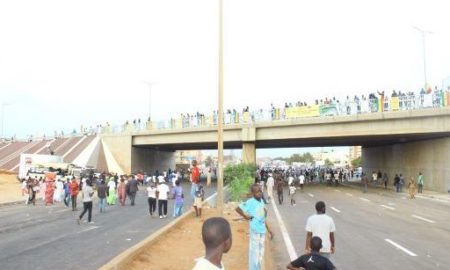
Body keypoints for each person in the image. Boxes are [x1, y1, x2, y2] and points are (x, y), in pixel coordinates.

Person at [236, 184, 274, 270]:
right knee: (254, 252)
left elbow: (263, 217)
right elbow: (238, 209)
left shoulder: (261, 201)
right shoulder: (250, 202)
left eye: (260, 191)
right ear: (253, 193)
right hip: (255, 230)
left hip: (262, 231)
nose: (260, 193)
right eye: (257, 192)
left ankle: (258, 267)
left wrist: (269, 229)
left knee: (261, 252)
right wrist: (246, 217)